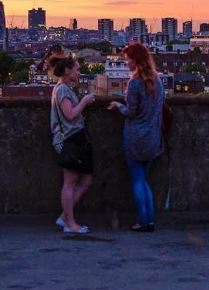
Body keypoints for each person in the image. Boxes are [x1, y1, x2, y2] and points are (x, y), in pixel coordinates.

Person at [108, 42, 164, 232]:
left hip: (135, 138)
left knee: (137, 181)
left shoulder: (135, 83)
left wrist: (118, 106)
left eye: (128, 60)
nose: (126, 63)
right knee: (143, 180)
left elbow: (131, 112)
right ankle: (150, 221)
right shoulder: (159, 83)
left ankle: (142, 221)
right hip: (153, 138)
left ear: (136, 61)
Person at [50, 53, 96, 234]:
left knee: (85, 179)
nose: (79, 73)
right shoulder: (62, 90)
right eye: (77, 70)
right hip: (69, 139)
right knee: (70, 181)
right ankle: (70, 223)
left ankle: (65, 217)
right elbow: (69, 114)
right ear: (67, 71)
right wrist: (85, 101)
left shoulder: (63, 89)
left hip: (76, 138)